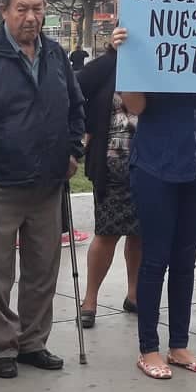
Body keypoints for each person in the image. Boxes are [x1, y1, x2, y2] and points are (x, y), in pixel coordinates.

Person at [0, 0, 85, 379]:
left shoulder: (55, 54)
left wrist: (72, 150)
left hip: (48, 182)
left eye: (38, 8)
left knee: (43, 269)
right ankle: (3, 347)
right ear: (3, 10)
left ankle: (34, 342)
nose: (32, 17)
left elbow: (75, 106)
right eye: (22, 9)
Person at [110, 27, 196, 379]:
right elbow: (136, 106)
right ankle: (148, 348)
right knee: (155, 259)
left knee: (185, 260)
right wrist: (128, 61)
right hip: (156, 165)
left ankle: (179, 345)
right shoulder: (151, 50)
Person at [76, 43, 141, 327]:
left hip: (149, 164)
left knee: (141, 235)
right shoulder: (106, 66)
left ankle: (135, 294)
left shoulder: (158, 63)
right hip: (112, 166)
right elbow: (74, 91)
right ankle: (90, 300)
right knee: (107, 234)